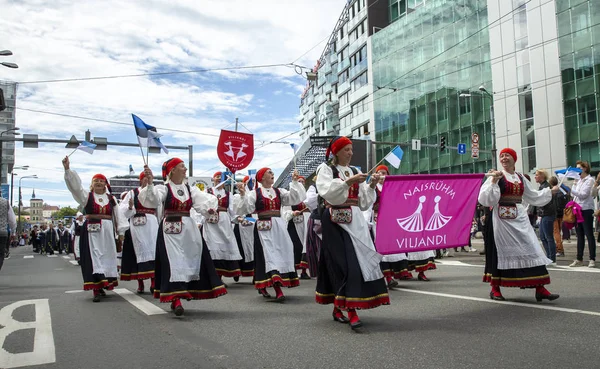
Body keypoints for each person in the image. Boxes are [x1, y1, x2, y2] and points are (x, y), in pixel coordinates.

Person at [315, 136, 389, 331]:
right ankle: (351, 311)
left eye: (351, 149)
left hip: (355, 220)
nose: (350, 153)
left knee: (358, 261)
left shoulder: (355, 171)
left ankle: (340, 307)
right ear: (336, 152)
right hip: (335, 221)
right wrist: (348, 182)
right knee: (344, 264)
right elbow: (327, 192)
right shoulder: (326, 170)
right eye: (346, 149)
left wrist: (371, 185)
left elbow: (363, 202)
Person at [139, 158, 227, 316]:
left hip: (188, 230)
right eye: (182, 166)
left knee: (188, 260)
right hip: (169, 231)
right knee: (173, 262)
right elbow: (152, 200)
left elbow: (203, 203)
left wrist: (209, 210)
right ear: (172, 170)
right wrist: (150, 183)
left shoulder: (190, 189)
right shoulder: (163, 188)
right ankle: (176, 298)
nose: (185, 169)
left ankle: (184, 291)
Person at [479, 148, 559, 302]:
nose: (504, 158)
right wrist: (494, 182)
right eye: (501, 156)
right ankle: (495, 289)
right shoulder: (496, 176)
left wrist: (550, 192)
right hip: (500, 222)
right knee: (499, 252)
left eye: (507, 155)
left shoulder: (521, 177)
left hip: (519, 219)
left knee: (532, 248)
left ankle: (540, 288)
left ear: (514, 159)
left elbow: (533, 196)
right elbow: (486, 199)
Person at [233, 167, 306, 302]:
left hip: (278, 227)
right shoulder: (255, 193)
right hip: (263, 229)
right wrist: (243, 194)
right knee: (268, 255)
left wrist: (295, 182)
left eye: (272, 172)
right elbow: (245, 208)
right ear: (262, 178)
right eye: (269, 172)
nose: (272, 174)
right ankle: (277, 288)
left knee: (282, 252)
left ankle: (265, 283)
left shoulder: (279, 192)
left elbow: (294, 198)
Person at [63, 156, 125, 302]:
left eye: (101, 181)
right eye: (96, 181)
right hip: (92, 233)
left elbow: (118, 216)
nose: (98, 183)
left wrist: (121, 233)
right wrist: (67, 170)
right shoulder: (87, 196)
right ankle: (96, 289)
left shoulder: (111, 199)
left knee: (107, 256)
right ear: (92, 184)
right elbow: (76, 188)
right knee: (94, 257)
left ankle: (103, 284)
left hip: (108, 232)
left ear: (105, 184)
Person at [367, 164, 410, 288]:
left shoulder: (392, 187)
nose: (381, 176)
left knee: (393, 249)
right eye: (379, 173)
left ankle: (393, 275)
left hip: (391, 221)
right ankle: (387, 278)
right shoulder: (373, 188)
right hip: (378, 221)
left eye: (384, 173)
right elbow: (369, 203)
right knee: (382, 249)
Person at [119, 171, 159, 294]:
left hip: (151, 225)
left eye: (149, 178)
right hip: (136, 226)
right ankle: (140, 283)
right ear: (140, 180)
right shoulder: (132, 193)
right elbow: (122, 210)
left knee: (153, 252)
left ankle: (153, 282)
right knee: (137, 253)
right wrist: (130, 207)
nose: (147, 181)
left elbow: (159, 208)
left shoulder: (154, 192)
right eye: (144, 179)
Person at [205, 172, 243, 281]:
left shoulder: (228, 194)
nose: (218, 179)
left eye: (220, 177)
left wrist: (237, 218)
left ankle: (220, 277)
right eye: (217, 177)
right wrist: (199, 220)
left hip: (224, 222)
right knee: (212, 247)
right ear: (213, 178)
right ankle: (214, 277)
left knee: (226, 246)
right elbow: (201, 207)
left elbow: (232, 210)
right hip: (211, 223)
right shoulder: (208, 192)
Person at [568, 160, 596, 268]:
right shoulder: (578, 181)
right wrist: (574, 186)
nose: (577, 170)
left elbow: (583, 195)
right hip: (578, 209)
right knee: (579, 235)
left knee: (589, 234)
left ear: (584, 168)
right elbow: (575, 195)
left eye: (578, 168)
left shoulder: (589, 180)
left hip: (586, 209)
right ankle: (579, 258)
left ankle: (592, 258)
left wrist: (572, 189)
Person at [283, 175, 311, 280]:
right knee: (295, 246)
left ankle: (304, 271)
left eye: (302, 182)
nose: (301, 183)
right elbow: (285, 211)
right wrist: (292, 213)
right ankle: (292, 272)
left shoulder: (308, 196)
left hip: (306, 223)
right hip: (294, 224)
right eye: (299, 181)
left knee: (306, 246)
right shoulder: (290, 196)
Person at [232, 176, 255, 279]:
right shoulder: (236, 196)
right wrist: (238, 218)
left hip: (253, 224)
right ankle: (237, 271)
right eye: (248, 182)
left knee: (255, 247)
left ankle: (255, 274)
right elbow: (233, 210)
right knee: (240, 247)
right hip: (241, 224)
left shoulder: (254, 195)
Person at [534, 169, 557, 264]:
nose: (535, 177)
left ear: (542, 176)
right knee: (543, 237)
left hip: (547, 214)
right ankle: (549, 257)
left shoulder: (546, 187)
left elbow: (544, 201)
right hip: (544, 215)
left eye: (537, 175)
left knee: (548, 237)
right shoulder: (543, 187)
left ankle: (552, 258)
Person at [548, 176, 568, 257]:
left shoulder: (553, 192)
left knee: (556, 232)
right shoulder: (562, 191)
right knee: (559, 232)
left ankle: (559, 249)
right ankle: (560, 249)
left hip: (555, 214)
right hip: (562, 214)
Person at [0, 195, 17, 270]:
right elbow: (12, 220)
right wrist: (13, 232)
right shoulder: (5, 202)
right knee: (0, 255)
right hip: (2, 233)